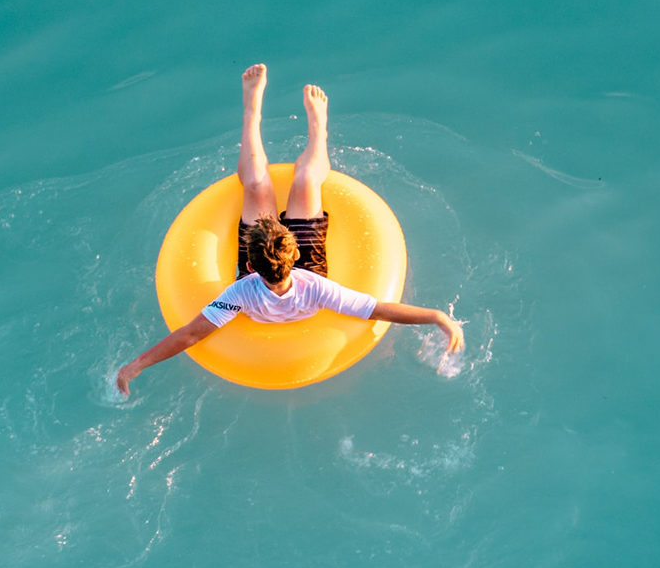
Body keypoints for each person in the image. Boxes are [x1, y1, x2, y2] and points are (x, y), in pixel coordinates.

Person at [115, 63, 464, 395]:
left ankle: (252, 111)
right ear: (294, 249)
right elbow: (379, 309)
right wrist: (437, 316)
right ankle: (318, 129)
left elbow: (190, 335)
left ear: (248, 266)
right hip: (310, 265)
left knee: (255, 185)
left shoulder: (239, 294)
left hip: (278, 267)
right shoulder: (318, 287)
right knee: (306, 181)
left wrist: (137, 365)